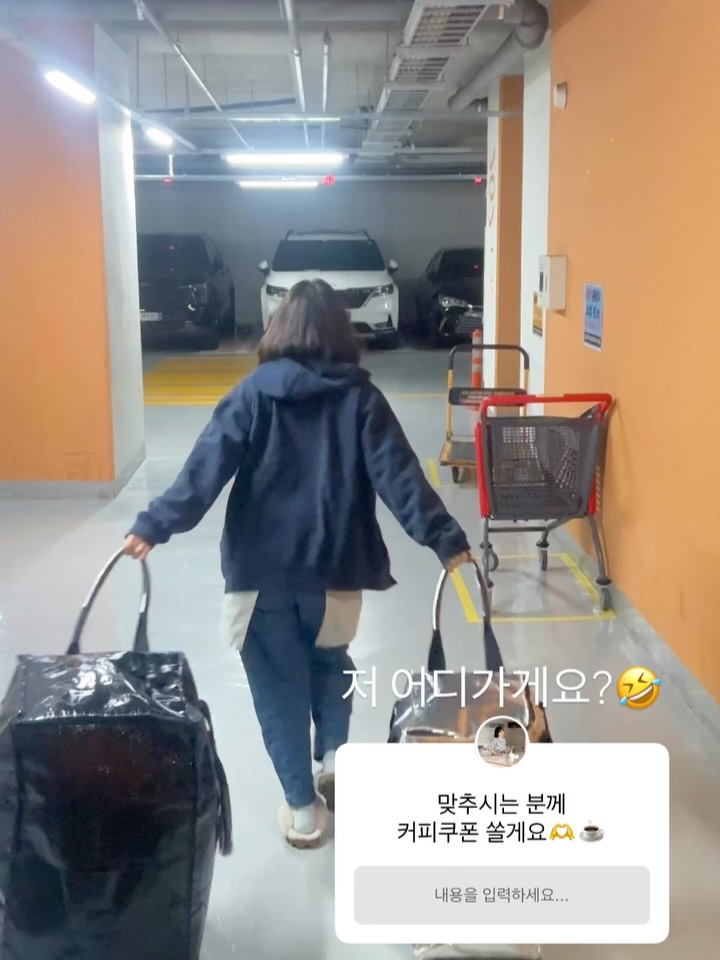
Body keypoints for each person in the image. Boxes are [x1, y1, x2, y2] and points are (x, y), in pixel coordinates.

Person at [123, 279, 471, 849]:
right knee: (331, 663)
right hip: (336, 568)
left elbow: (203, 472)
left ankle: (304, 812)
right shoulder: (361, 397)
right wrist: (445, 538)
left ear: (278, 328)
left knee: (277, 687)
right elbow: (400, 477)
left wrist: (153, 526)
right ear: (340, 332)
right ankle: (334, 756)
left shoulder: (252, 394)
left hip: (260, 574)